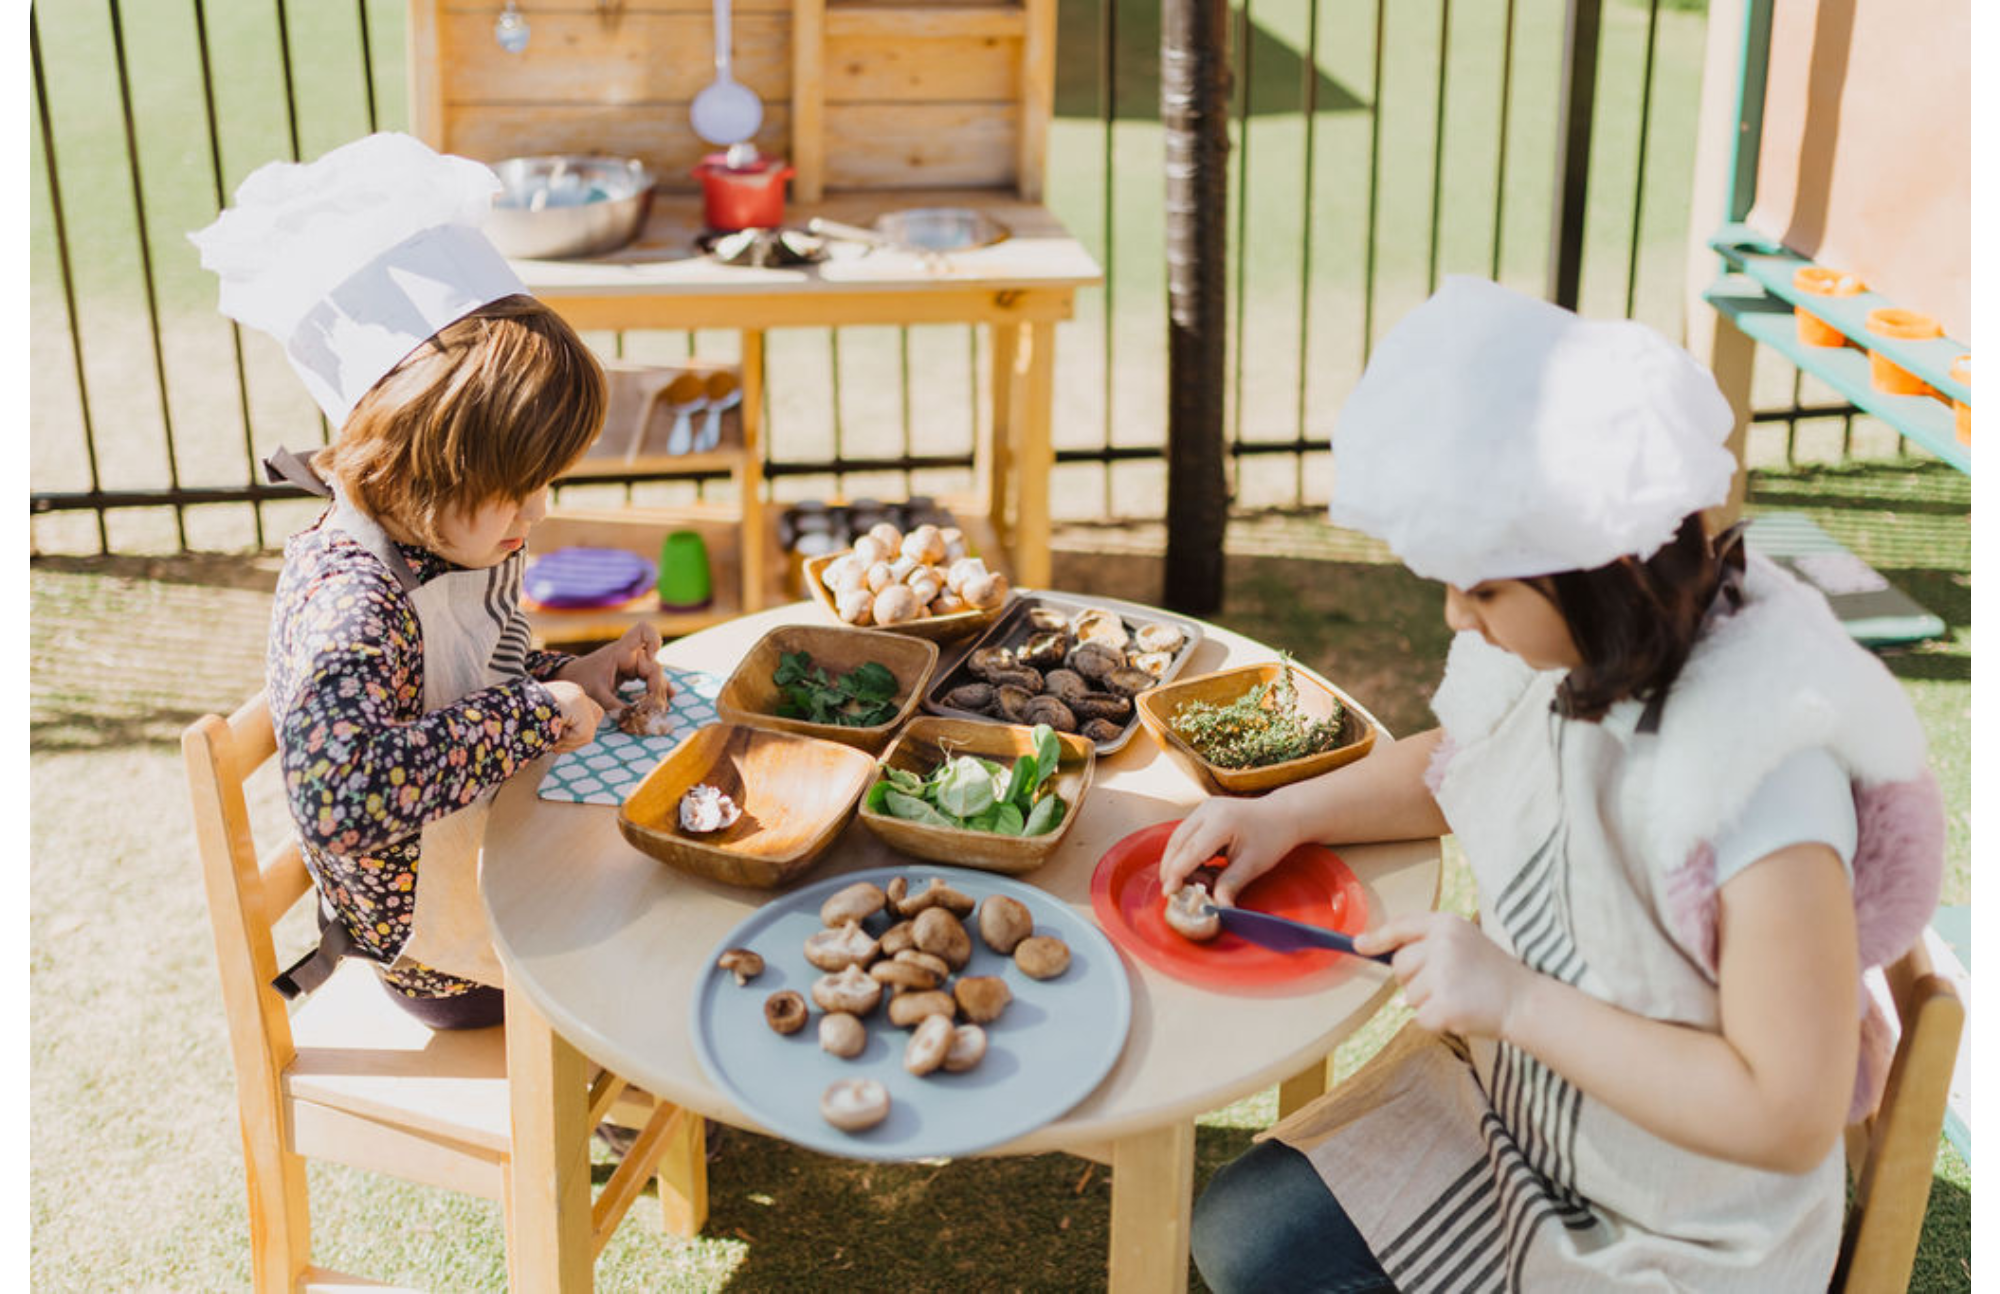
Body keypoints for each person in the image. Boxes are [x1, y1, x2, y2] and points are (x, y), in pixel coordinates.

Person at [1160, 277, 1944, 1292]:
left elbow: (1787, 1119)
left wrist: (1516, 998)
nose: (1453, 614)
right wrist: (1282, 813)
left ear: (1600, 568)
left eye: (1480, 589)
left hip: (1683, 1227)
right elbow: (1461, 758)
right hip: (1526, 1111)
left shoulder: (1761, 772)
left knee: (1266, 1262)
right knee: (1239, 1233)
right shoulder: (1594, 643)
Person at [193, 134, 668, 1029]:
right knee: (658, 908)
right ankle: (613, 1078)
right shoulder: (351, 597)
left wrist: (572, 678)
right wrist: (534, 717)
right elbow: (342, 799)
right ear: (418, 463)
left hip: (490, 855)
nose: (538, 510)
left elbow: (457, 686)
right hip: (437, 956)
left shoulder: (449, 533)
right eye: (515, 487)